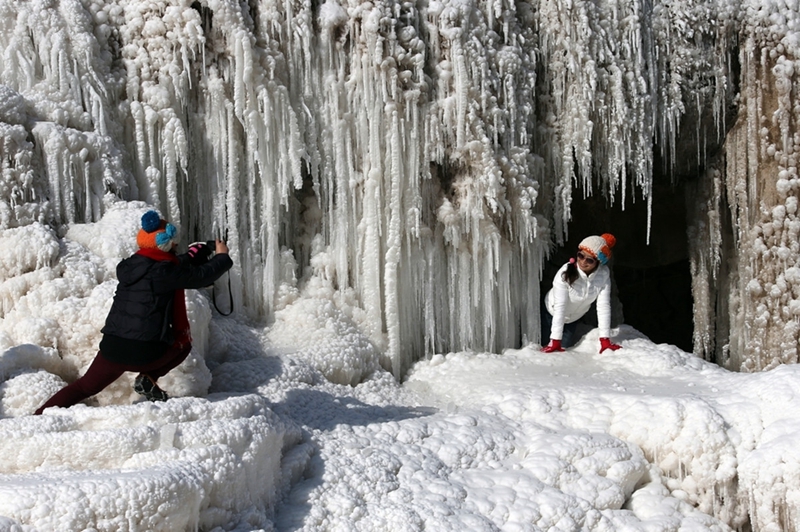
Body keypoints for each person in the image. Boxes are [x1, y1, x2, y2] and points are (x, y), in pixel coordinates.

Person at [34, 211, 233, 414]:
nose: (176, 247)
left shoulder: (132, 265)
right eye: (174, 243)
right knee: (183, 344)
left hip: (112, 348)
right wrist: (222, 257)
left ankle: (39, 415)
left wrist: (195, 254)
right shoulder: (165, 272)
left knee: (84, 387)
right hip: (144, 352)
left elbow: (168, 266)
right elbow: (200, 276)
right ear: (167, 244)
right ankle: (149, 377)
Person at [541, 233, 622, 353]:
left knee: (564, 349)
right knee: (544, 347)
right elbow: (560, 307)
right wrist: (555, 340)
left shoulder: (603, 275)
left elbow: (603, 306)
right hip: (551, 313)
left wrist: (605, 339)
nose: (583, 262)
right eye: (581, 255)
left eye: (589, 260)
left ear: (598, 262)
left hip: (573, 319)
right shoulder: (565, 273)